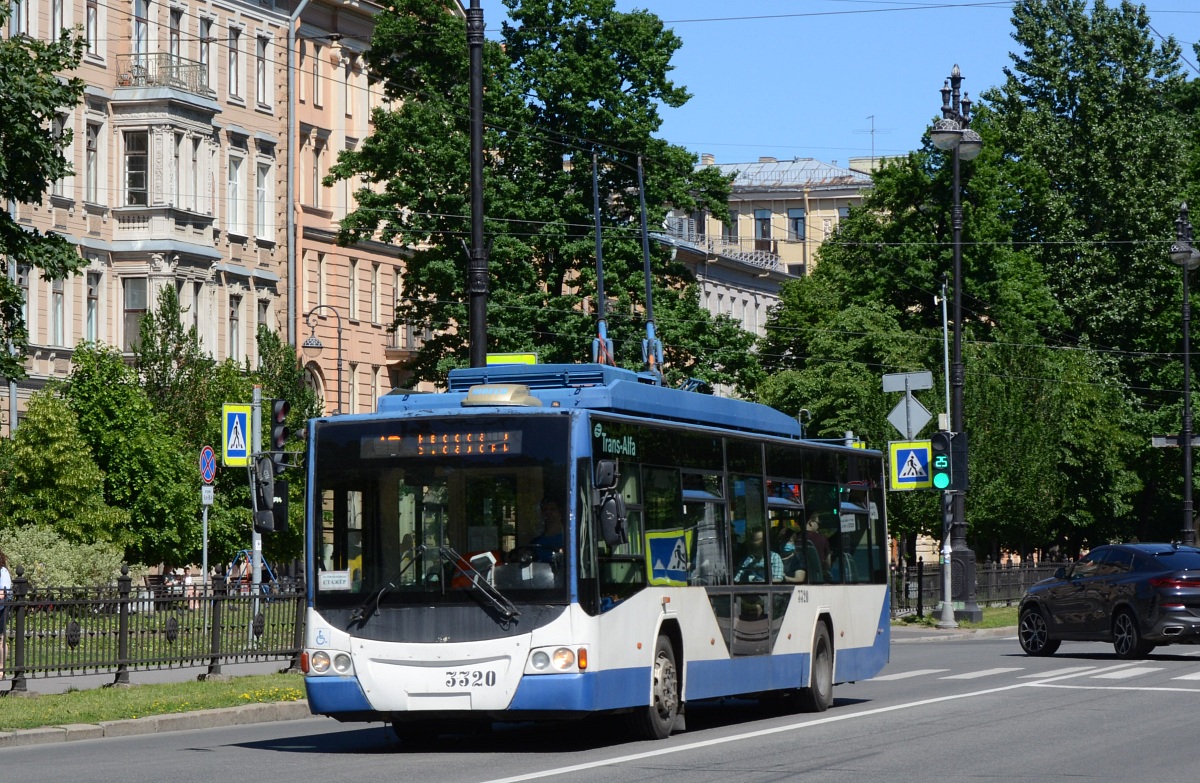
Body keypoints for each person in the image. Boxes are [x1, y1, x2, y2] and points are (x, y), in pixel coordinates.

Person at [0, 548, 10, 680]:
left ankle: (1, 668)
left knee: (0, 639)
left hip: (1, 609)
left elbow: (3, 593)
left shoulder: (3, 572)